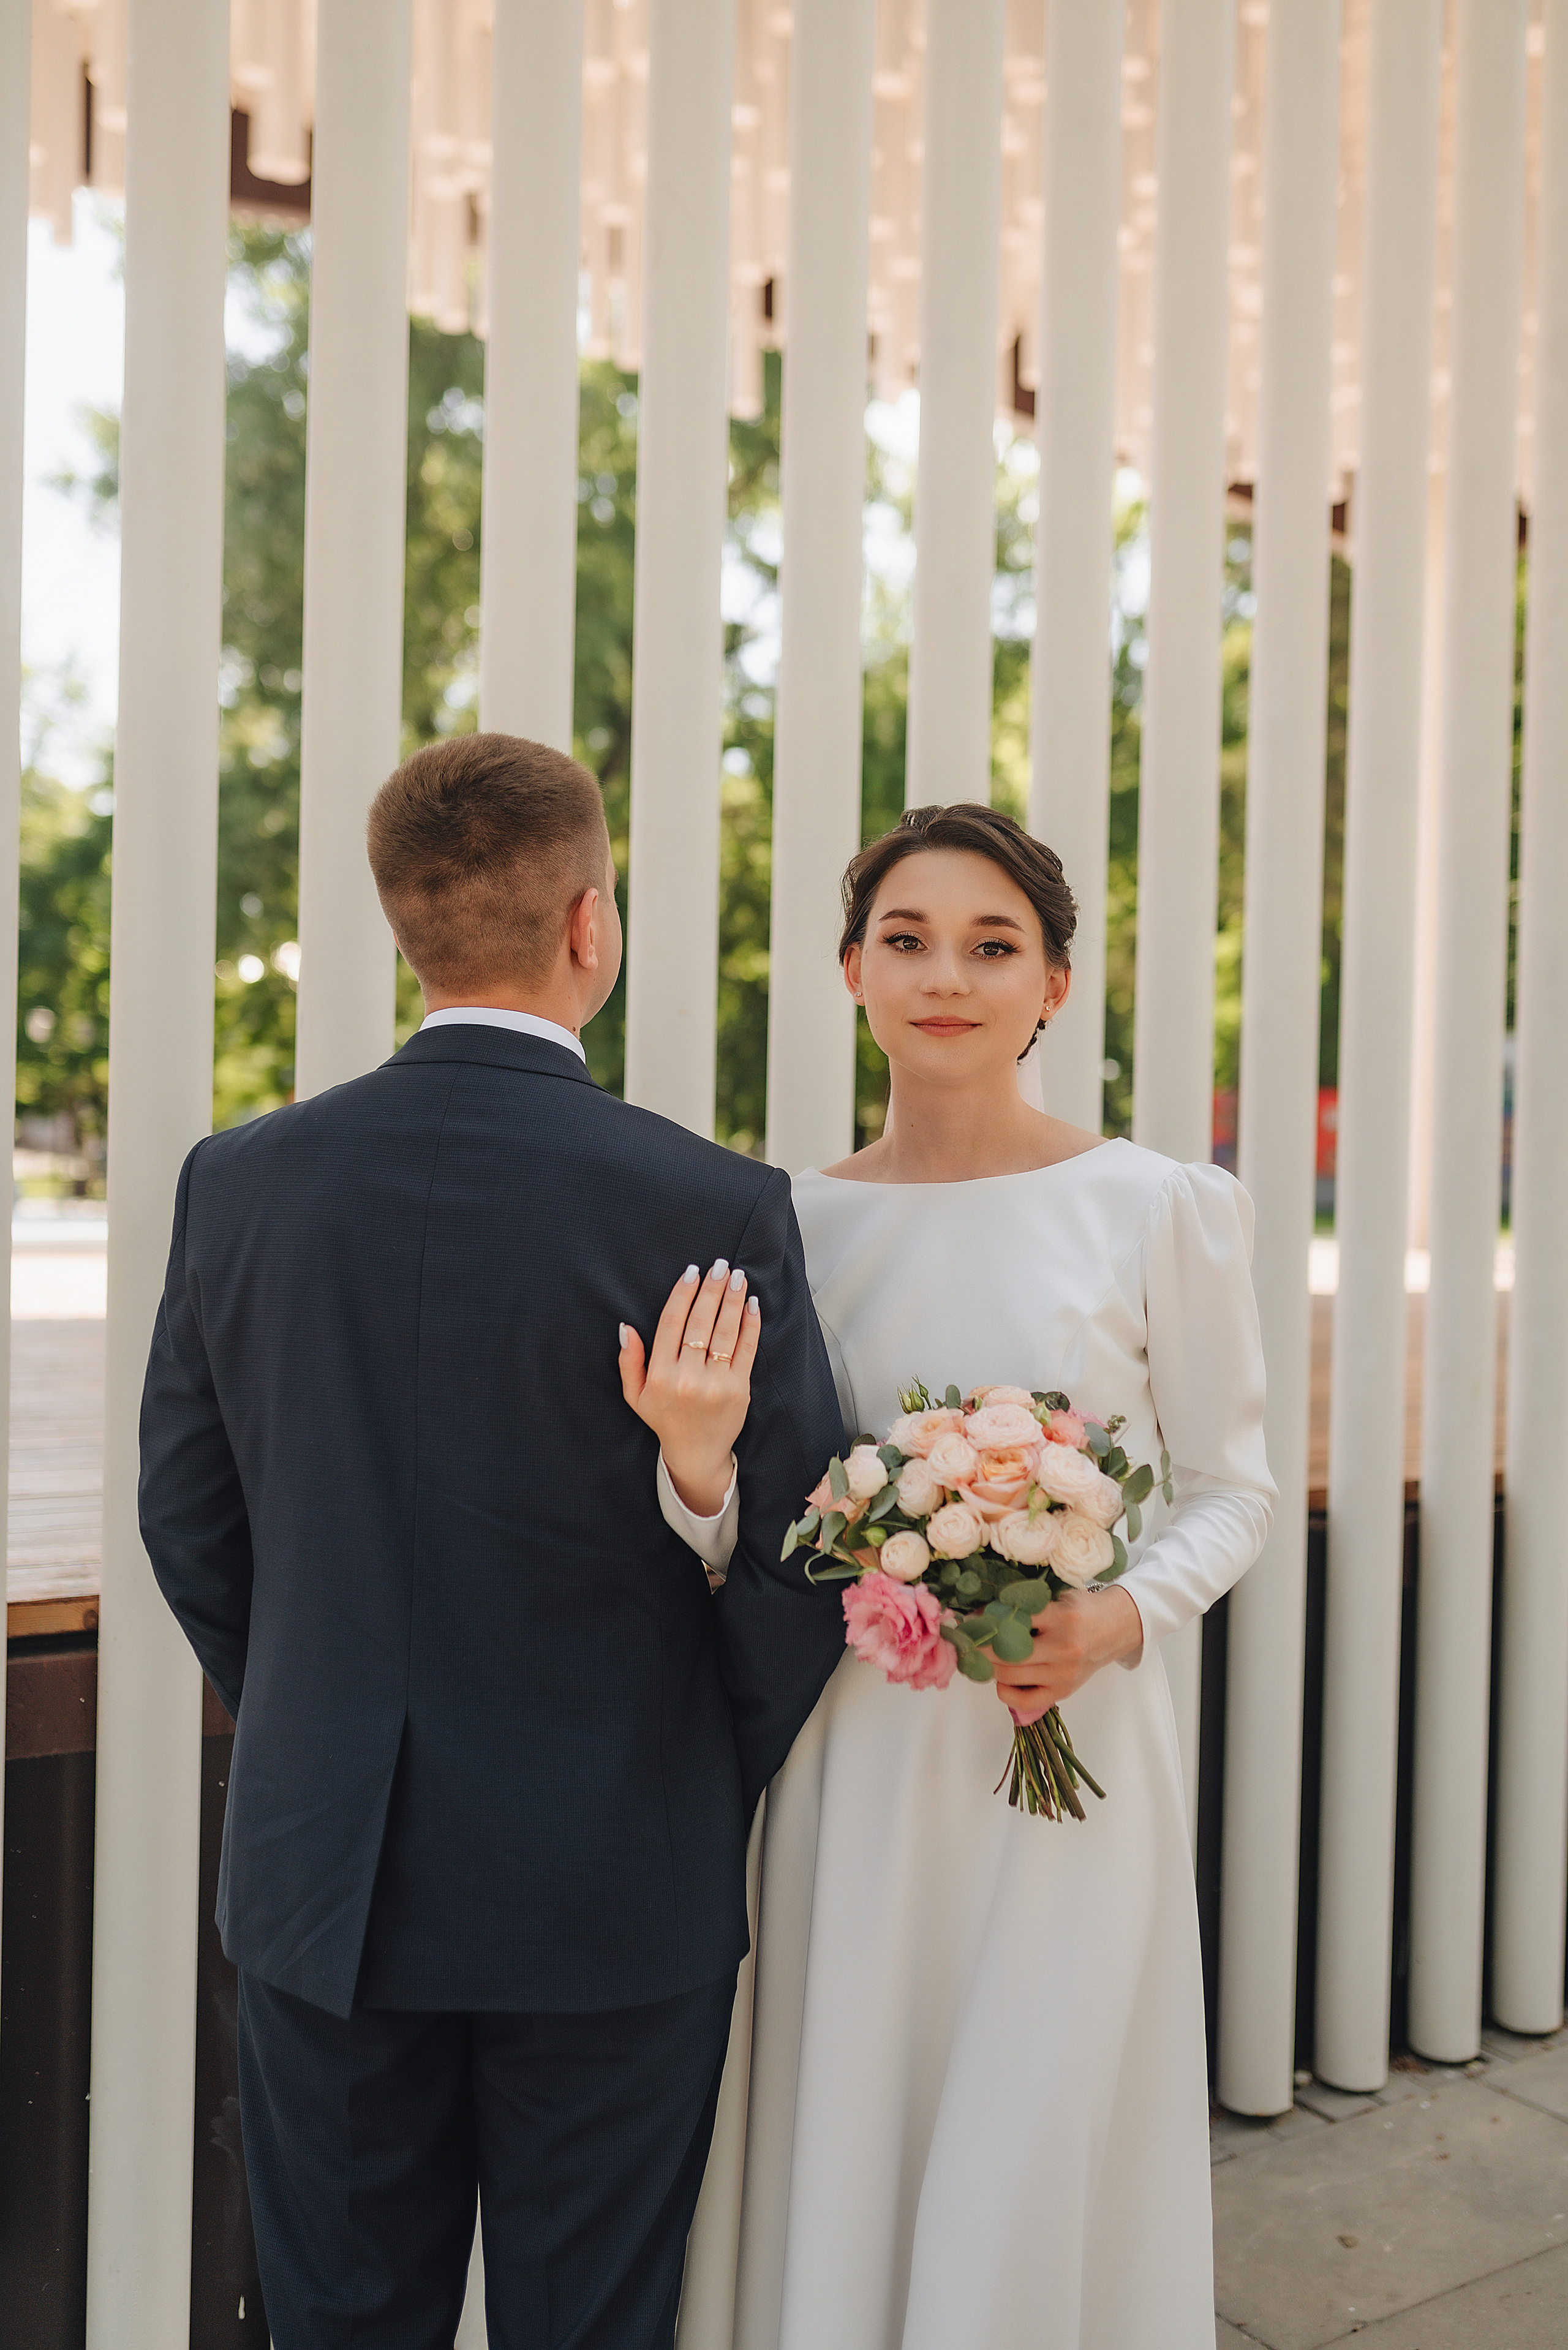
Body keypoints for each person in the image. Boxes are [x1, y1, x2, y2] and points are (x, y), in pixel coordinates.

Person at [138, 732, 846, 2349]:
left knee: (336, 2315)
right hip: (612, 1874)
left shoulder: (238, 1181)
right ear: (592, 923)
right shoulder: (713, 1203)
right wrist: (682, 1748)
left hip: (326, 1875)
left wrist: (319, 1698)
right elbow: (807, 1555)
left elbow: (187, 1504)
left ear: (406, 924)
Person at [669, 803, 1276, 2350]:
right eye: (908, 939)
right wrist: (698, 1482)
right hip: (847, 1760)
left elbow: (1228, 1487)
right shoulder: (783, 1223)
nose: (948, 974)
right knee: (854, 2093)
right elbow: (761, 1537)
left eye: (991, 945)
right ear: (850, 972)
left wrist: (1119, 1613)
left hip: (1059, 1758)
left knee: (1031, 2109)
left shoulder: (1159, 1205)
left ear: (1055, 983)